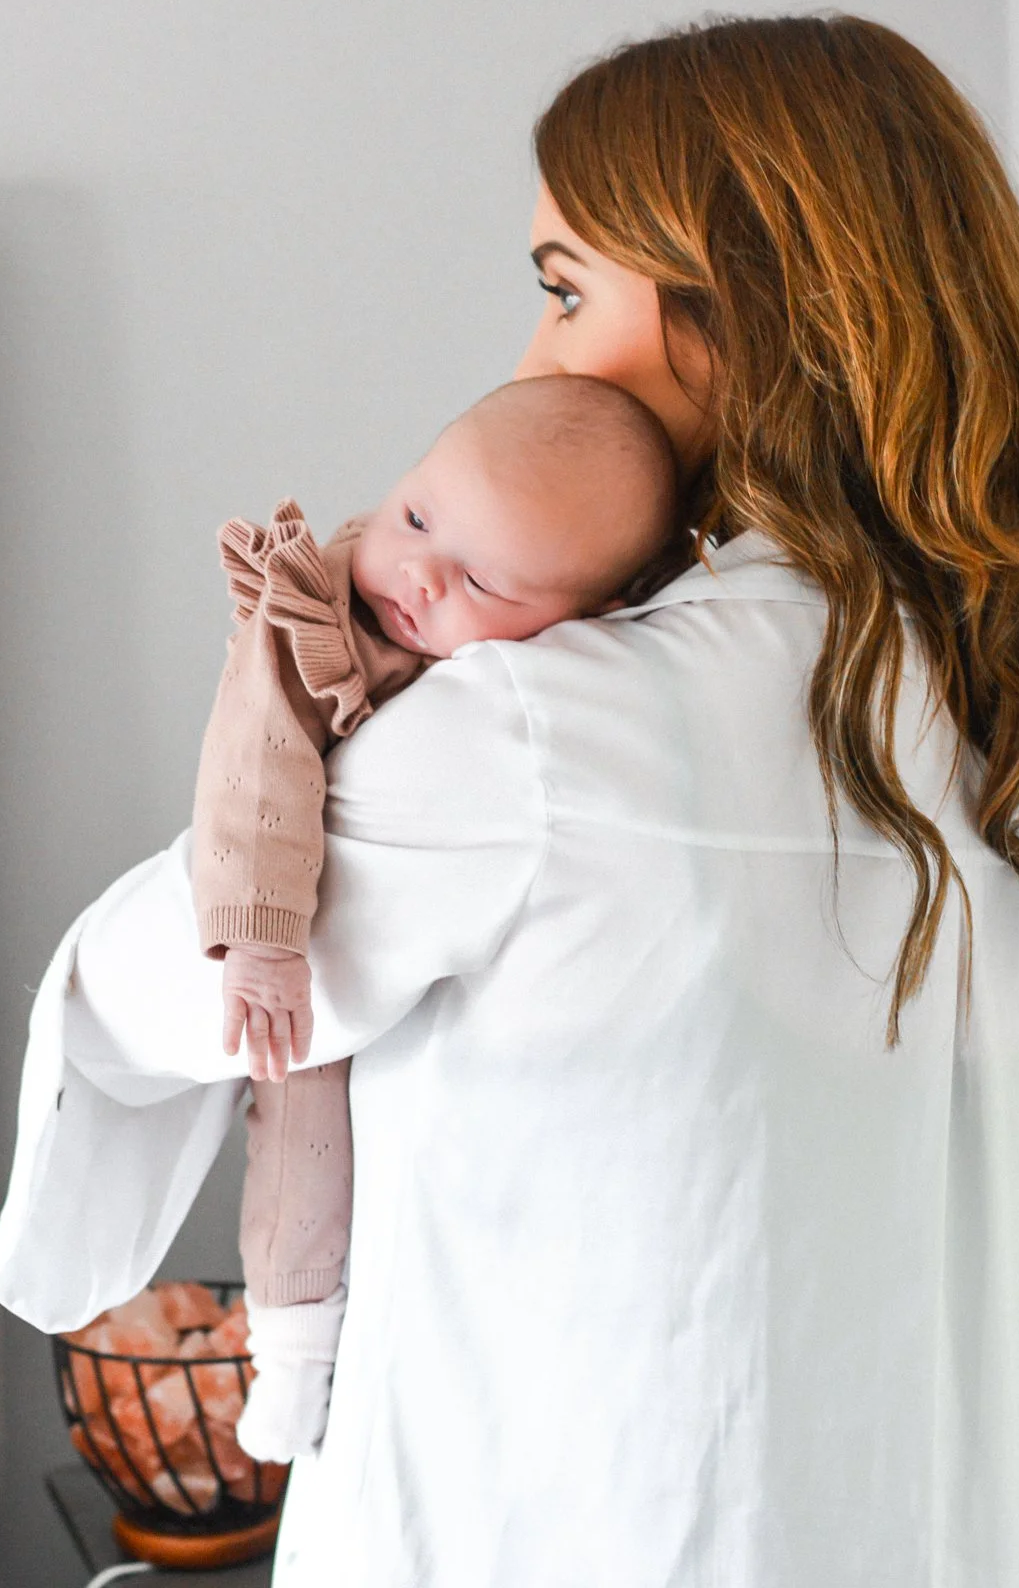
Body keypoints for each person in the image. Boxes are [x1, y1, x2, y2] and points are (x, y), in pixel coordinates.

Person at [0, 13, 1019, 1588]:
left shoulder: (538, 729)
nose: (531, 355)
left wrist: (300, 715)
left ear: (754, 311)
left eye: (566, 289)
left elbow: (150, 992)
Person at [189, 374, 678, 1460]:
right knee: (302, 1114)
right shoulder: (312, 613)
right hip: (311, 932)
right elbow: (252, 769)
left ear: (585, 619)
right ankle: (292, 1341)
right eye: (416, 515)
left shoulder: (570, 678)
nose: (417, 572)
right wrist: (263, 938)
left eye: (483, 580)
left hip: (463, 973)